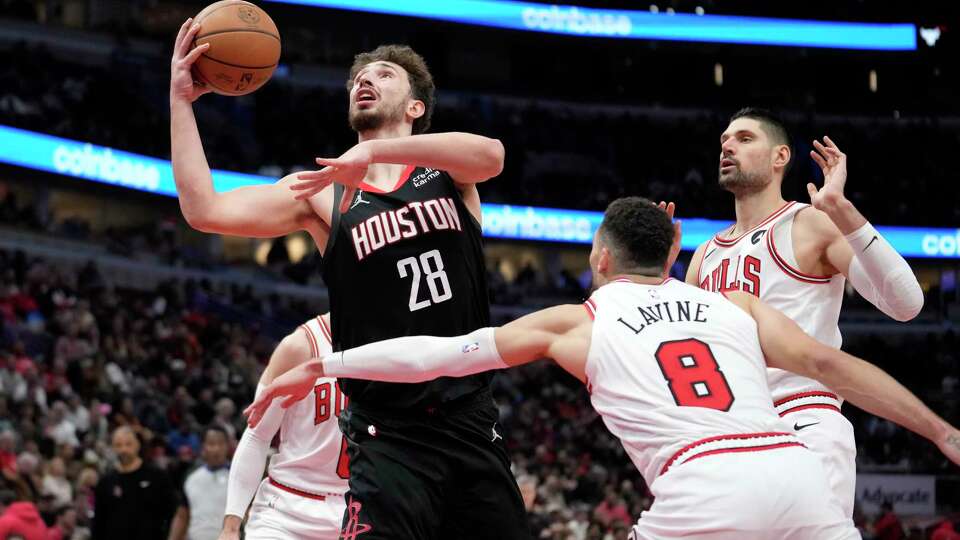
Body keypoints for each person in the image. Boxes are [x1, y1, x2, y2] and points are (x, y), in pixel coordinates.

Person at [247, 197, 960, 540]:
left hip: (703, 484)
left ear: (598, 258)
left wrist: (326, 363)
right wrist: (939, 430)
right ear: (675, 256)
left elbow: (433, 353)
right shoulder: (734, 304)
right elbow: (831, 365)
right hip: (796, 471)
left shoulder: (577, 322)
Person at [170, 15, 526, 538]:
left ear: (415, 107)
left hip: (468, 415)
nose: (364, 81)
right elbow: (205, 211)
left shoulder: (447, 172)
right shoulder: (323, 191)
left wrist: (377, 151)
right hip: (386, 431)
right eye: (359, 78)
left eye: (383, 75)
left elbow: (492, 155)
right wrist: (181, 101)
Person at [685, 108, 924, 516]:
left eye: (744, 138)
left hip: (800, 416)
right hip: (726, 431)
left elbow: (906, 305)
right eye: (724, 139)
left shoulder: (811, 223)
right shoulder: (704, 255)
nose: (727, 145)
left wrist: (843, 211)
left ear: (780, 157)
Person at [219, 315, 348, 540]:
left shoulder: (394, 345)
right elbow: (258, 436)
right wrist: (231, 526)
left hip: (359, 512)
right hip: (288, 511)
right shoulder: (300, 345)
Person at [92, 426, 176, 540]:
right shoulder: (106, 482)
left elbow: (172, 513)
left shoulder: (157, 477)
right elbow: (98, 523)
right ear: (113, 448)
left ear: (138, 445)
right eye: (118, 445)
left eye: (128, 444)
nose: (123, 450)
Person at [169, 426, 231, 540]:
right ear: (203, 446)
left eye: (221, 443)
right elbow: (182, 515)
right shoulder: (191, 477)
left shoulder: (236, 477)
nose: (216, 448)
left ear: (227, 446)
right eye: (211, 444)